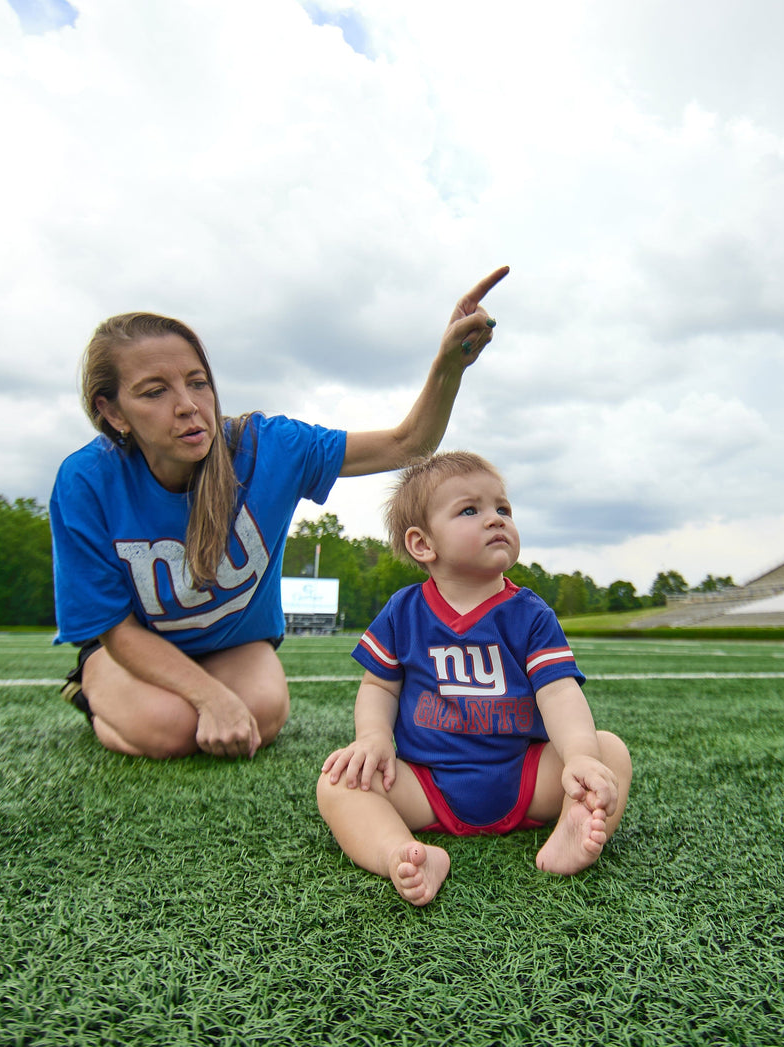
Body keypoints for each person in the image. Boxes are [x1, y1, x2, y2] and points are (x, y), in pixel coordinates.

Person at [50, 268, 508, 761]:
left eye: (198, 383)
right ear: (114, 412)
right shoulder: (86, 481)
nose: (188, 406)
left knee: (262, 716)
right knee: (168, 731)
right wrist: (211, 698)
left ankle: (194, 698)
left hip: (231, 644)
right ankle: (92, 693)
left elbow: (408, 444)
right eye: (154, 392)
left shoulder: (268, 448)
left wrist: (449, 366)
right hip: (136, 646)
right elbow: (115, 627)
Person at [317, 451, 632, 906]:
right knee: (336, 782)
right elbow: (378, 686)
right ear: (422, 544)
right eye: (470, 510)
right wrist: (372, 738)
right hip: (426, 786)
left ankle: (572, 824)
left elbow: (559, 692)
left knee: (610, 751)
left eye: (503, 508)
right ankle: (400, 851)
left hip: (525, 779)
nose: (495, 519)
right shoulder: (403, 611)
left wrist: (580, 756)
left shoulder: (531, 614)